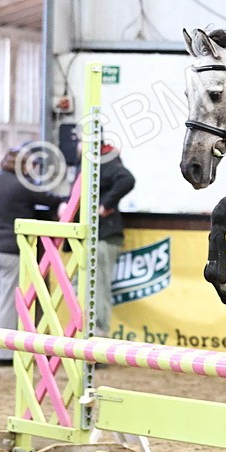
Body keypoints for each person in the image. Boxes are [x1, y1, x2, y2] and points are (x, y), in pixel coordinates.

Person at [0, 147, 69, 364]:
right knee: (8, 300)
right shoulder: (23, 184)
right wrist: (67, 199)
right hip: (12, 249)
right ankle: (4, 354)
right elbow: (51, 199)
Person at [91, 140, 136, 339]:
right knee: (84, 286)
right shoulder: (97, 160)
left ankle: (98, 336)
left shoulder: (103, 160)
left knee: (98, 288)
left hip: (103, 235)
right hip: (95, 236)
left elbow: (127, 179)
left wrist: (106, 204)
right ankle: (91, 332)